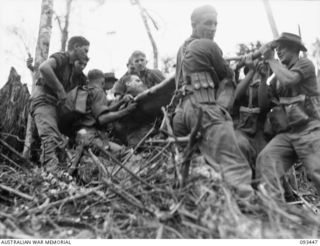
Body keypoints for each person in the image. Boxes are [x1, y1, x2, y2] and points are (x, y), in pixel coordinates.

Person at [169, 5, 255, 199]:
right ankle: (250, 213)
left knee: (193, 169)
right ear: (194, 25)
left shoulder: (183, 49)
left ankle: (199, 210)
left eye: (215, 23)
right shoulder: (208, 45)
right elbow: (227, 78)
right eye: (208, 23)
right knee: (233, 165)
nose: (213, 28)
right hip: (204, 108)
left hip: (181, 114)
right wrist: (245, 67)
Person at [256, 32, 320, 199]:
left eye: (282, 47)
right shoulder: (278, 75)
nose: (278, 51)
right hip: (289, 133)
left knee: (317, 172)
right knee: (267, 160)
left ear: (295, 49)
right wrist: (263, 78)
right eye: (276, 48)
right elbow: (264, 104)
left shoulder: (305, 64)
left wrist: (271, 60)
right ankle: (278, 215)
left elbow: (290, 80)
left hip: (310, 130)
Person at [30, 36, 90, 172]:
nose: (86, 55)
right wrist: (60, 89)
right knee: (51, 138)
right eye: (85, 51)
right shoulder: (62, 57)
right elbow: (44, 68)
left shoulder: (73, 69)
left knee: (61, 143)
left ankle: (59, 176)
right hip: (43, 99)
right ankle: (52, 175)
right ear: (76, 47)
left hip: (54, 105)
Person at [232, 55, 270, 176]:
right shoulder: (241, 85)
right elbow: (236, 96)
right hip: (242, 131)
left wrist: (264, 79)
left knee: (266, 157)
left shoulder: (268, 88)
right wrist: (252, 71)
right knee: (240, 146)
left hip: (259, 133)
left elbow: (264, 106)